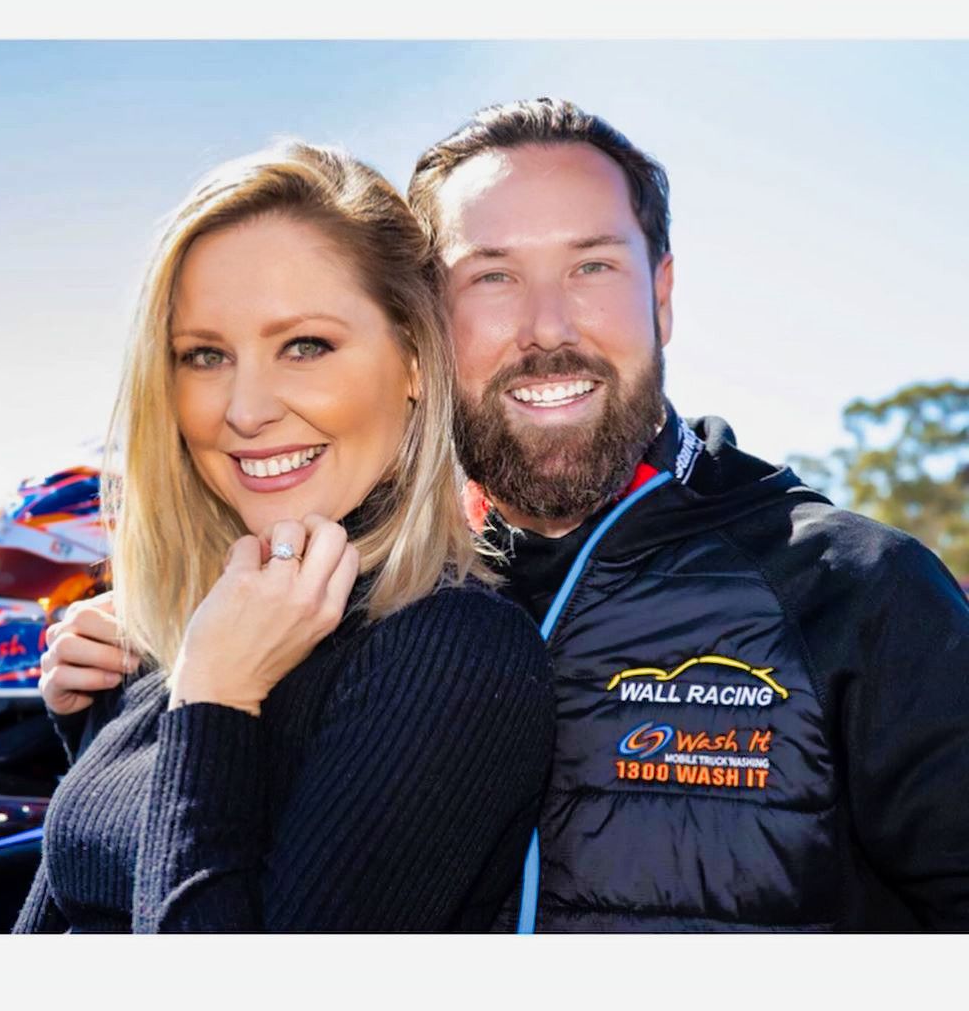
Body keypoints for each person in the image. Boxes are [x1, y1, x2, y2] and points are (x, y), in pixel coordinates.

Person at [406, 97, 969, 932]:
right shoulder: (370, 600)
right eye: (492, 276)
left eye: (592, 267)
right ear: (422, 321)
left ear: (661, 297)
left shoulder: (859, 593)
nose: (547, 328)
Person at [12, 142, 554, 934]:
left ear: (413, 357)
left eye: (304, 347)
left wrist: (216, 697)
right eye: (204, 356)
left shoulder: (457, 655)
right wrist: (103, 725)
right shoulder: (220, 621)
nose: (245, 409)